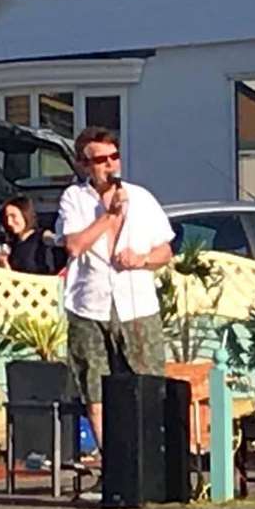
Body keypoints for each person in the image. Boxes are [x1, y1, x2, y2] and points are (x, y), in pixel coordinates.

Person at [56, 126, 174, 448]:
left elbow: (165, 251)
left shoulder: (141, 198)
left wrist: (143, 258)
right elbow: (75, 246)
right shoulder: (74, 199)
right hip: (89, 305)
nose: (109, 166)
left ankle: (150, 458)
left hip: (136, 307)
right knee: (94, 388)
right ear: (85, 165)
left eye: (114, 157)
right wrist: (108, 217)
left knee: (147, 381)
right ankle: (112, 466)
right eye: (100, 160)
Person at [0, 196, 67, 275]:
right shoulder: (9, 246)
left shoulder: (40, 237)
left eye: (13, 216)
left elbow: (53, 239)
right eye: (6, 218)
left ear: (25, 215)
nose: (9, 222)